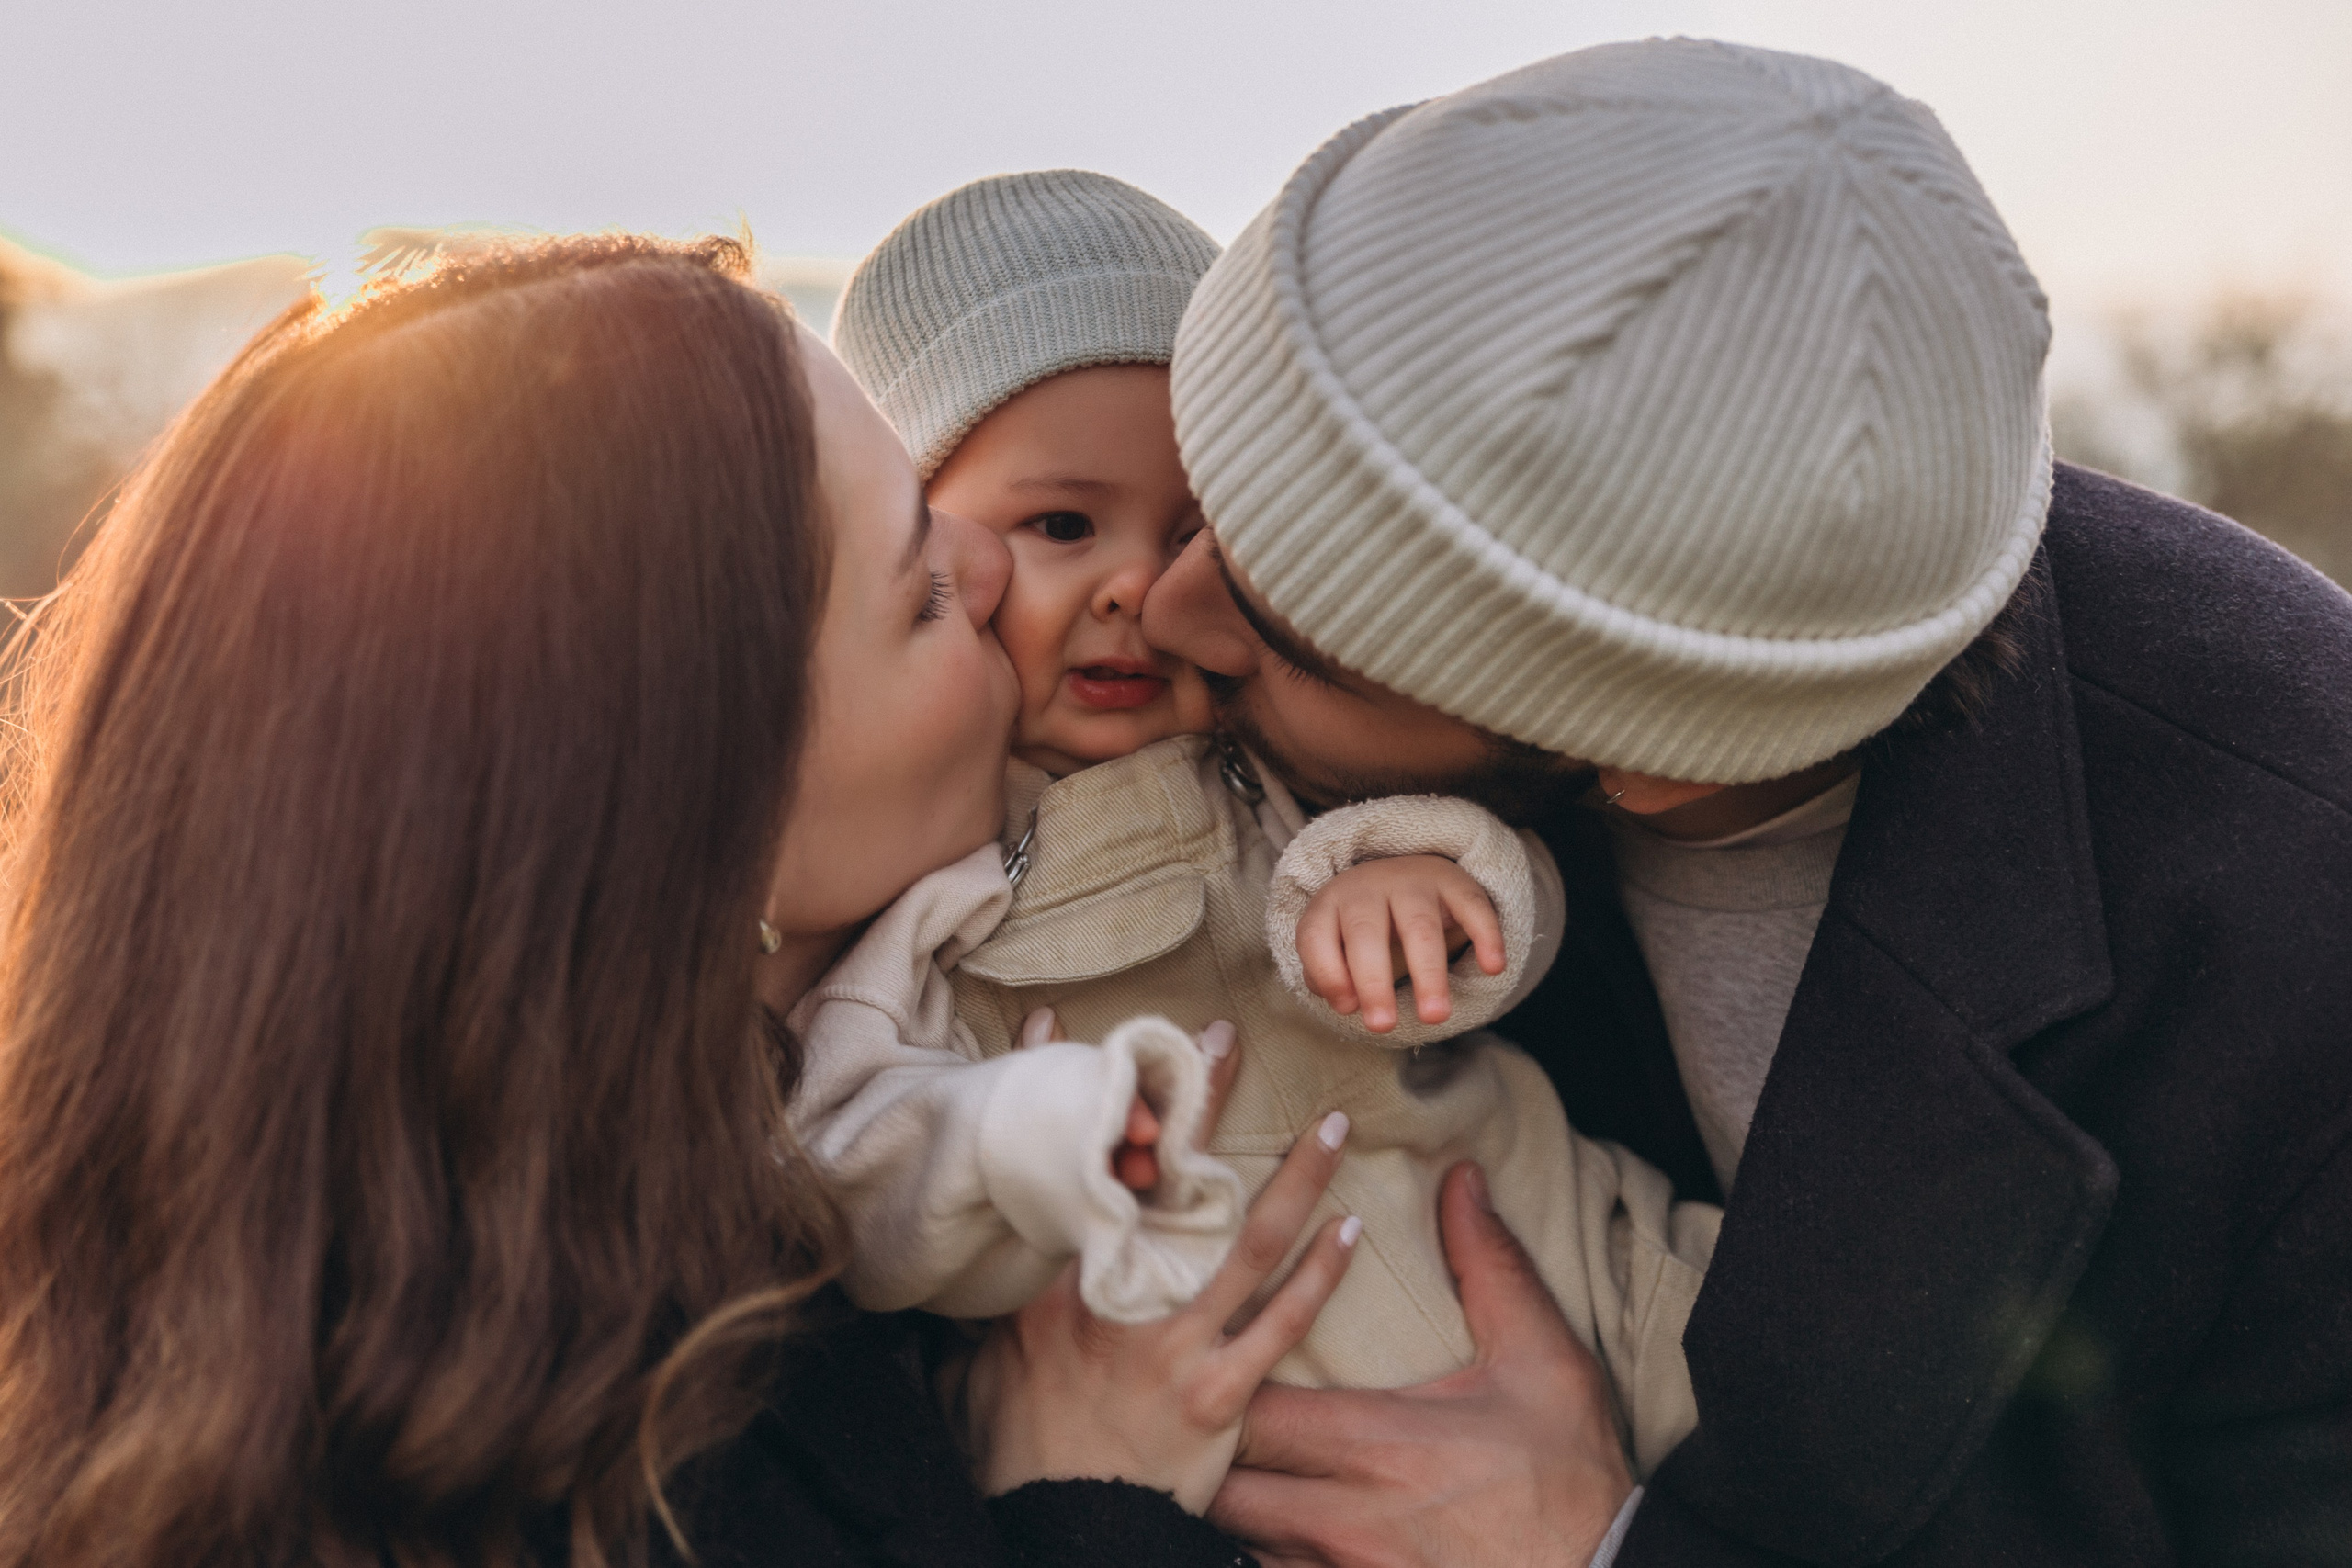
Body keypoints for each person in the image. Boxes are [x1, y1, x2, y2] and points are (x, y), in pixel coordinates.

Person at [1143, 38, 2352, 1568]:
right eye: (1204, 505)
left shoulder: (2298, 940)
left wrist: (1612, 1551)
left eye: (1294, 636)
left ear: (1650, 751)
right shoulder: (1294, 716)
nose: (1165, 616)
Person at [0, 233, 1359, 1568]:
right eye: (923, 593)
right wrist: (1089, 1505)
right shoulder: (658, 1470)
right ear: (701, 827)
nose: (994, 566)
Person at [799, 171, 1718, 1471]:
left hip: (1572, 1271)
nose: (1139, 585)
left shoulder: (1280, 764)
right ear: (944, 558)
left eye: (1195, 533)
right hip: (1250, 1415)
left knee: (1839, 1412)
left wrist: (1432, 882)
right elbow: (850, 1153)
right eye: (1063, 524)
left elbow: (1529, 904)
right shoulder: (936, 873)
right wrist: (1029, 1132)